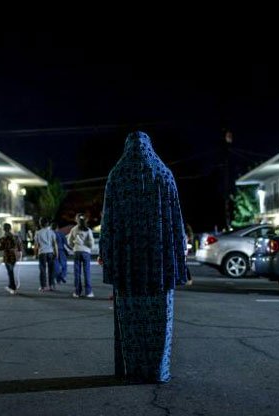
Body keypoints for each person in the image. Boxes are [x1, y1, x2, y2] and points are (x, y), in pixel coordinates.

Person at [100, 131, 187, 383]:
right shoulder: (165, 176)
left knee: (130, 317)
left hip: (128, 266)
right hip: (160, 265)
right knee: (160, 316)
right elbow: (177, 220)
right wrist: (178, 250)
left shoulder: (117, 176)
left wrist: (106, 253)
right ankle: (158, 371)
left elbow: (108, 221)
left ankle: (132, 370)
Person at [67, 213, 94, 298]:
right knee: (87, 272)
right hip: (86, 252)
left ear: (76, 220)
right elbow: (91, 243)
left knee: (77, 273)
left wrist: (74, 246)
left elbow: (69, 241)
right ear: (85, 219)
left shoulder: (73, 229)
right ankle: (88, 292)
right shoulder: (88, 230)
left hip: (77, 252)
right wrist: (89, 247)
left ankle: (77, 292)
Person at [0, 223, 22, 295]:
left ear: (4, 229)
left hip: (7, 257)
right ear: (10, 228)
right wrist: (19, 253)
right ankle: (10, 285)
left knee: (10, 272)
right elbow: (19, 246)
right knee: (10, 271)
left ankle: (13, 287)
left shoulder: (3, 239)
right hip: (14, 257)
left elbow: (1, 248)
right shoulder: (15, 237)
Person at [34, 217, 58, 292]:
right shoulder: (52, 232)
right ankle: (51, 285)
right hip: (50, 252)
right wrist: (56, 253)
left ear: (40, 224)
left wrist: (35, 254)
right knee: (51, 270)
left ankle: (43, 286)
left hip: (42, 253)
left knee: (42, 270)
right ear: (48, 224)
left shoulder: (38, 233)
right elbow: (55, 244)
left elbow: (36, 245)